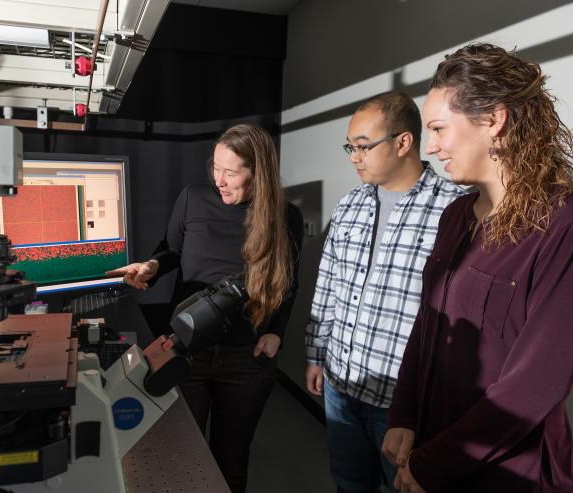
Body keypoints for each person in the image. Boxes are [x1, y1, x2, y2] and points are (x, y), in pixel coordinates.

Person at [383, 43, 573, 493]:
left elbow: (534, 386)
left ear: (493, 120)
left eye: (439, 129)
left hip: (507, 473)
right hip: (433, 451)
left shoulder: (560, 224)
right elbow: (426, 323)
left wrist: (434, 465)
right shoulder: (456, 216)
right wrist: (404, 414)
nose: (429, 147)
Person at [107, 123, 303, 493]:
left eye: (231, 172)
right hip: (186, 353)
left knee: (231, 463)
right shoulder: (193, 198)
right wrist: (151, 266)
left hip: (247, 359)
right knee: (181, 458)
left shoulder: (284, 216)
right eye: (215, 168)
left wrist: (277, 330)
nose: (219, 180)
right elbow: (172, 251)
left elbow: (288, 283)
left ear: (258, 173)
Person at [304, 91, 465, 493]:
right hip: (340, 383)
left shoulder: (455, 210)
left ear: (403, 142)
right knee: (349, 483)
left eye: (362, 146)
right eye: (350, 147)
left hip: (399, 402)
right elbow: (328, 284)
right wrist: (315, 354)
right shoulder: (351, 205)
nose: (354, 157)